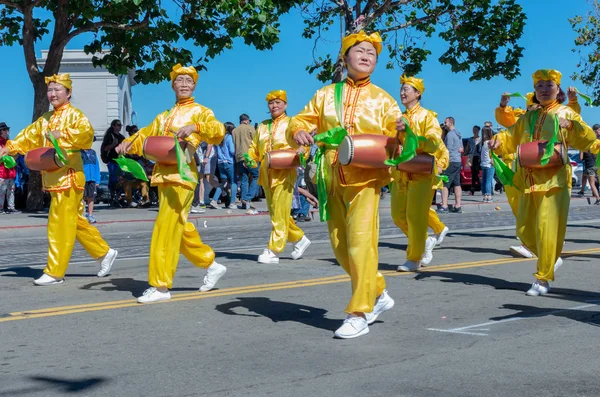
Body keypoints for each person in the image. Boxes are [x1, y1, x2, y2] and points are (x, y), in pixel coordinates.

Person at [288, 31, 400, 339]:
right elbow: (300, 120)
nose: (366, 56)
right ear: (345, 57)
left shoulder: (383, 100)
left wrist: (403, 133)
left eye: (372, 53)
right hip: (330, 177)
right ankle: (377, 292)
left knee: (360, 244)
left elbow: (399, 141)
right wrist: (298, 131)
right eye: (360, 51)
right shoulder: (325, 94)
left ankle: (359, 311)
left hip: (366, 179)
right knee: (340, 248)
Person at [115, 64, 227, 303]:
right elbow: (145, 134)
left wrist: (195, 127)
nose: (184, 84)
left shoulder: (200, 111)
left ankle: (161, 286)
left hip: (183, 177)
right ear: (173, 85)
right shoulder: (164, 116)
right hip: (163, 176)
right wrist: (128, 143)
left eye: (188, 80)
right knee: (178, 226)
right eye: (180, 80)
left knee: (165, 229)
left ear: (194, 85)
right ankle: (211, 263)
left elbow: (218, 131)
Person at [489, 69, 600, 296]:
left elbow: (587, 138)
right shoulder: (529, 116)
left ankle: (542, 278)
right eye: (539, 86)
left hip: (554, 180)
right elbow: (511, 135)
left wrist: (571, 126)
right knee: (524, 230)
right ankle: (550, 259)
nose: (544, 90)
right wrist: (497, 141)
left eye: (549, 85)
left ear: (558, 89)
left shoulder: (566, 113)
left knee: (546, 228)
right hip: (528, 179)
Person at [0, 74, 118, 285]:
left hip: (69, 176)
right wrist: (8, 149)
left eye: (57, 90)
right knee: (74, 221)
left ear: (68, 93)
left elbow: (86, 136)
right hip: (54, 177)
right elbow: (27, 137)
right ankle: (104, 252)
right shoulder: (45, 119)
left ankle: (55, 272)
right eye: (50, 90)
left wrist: (62, 133)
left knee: (58, 224)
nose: (52, 94)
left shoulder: (75, 116)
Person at [247, 90, 312, 264]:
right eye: (271, 103)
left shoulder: (292, 123)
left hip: (284, 174)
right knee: (277, 213)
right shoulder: (262, 125)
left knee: (279, 215)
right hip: (266, 174)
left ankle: (273, 250)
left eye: (278, 102)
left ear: (285, 104)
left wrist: (301, 152)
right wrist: (250, 157)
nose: (274, 106)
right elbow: (254, 147)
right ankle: (299, 239)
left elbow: (303, 143)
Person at [391, 76, 445, 272]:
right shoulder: (399, 117)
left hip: (421, 173)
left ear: (418, 93)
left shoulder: (427, 117)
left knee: (415, 217)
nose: (403, 92)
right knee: (398, 216)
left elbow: (433, 142)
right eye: (402, 89)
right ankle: (424, 240)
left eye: (407, 89)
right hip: (400, 174)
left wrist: (412, 136)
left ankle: (414, 258)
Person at [232, 114, 258, 209]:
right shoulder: (250, 128)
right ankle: (247, 198)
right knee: (256, 176)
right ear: (247, 120)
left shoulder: (234, 131)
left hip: (239, 157)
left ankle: (244, 203)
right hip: (249, 156)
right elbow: (256, 141)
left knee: (244, 179)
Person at [210, 122, 237, 209]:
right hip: (229, 162)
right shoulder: (229, 138)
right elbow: (232, 151)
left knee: (223, 182)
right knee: (233, 182)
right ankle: (232, 203)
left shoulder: (219, 138)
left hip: (220, 163)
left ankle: (214, 200)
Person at [438, 117, 463, 213]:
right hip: (457, 161)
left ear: (451, 123)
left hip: (451, 161)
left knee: (444, 183)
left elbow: (446, 151)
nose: (444, 124)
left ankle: (444, 205)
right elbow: (461, 148)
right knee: (457, 183)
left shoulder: (450, 135)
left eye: (446, 122)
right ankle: (458, 206)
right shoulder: (458, 134)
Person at [0, 122, 19, 214]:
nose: (7, 131)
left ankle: (11, 207)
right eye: (5, 130)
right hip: (2, 172)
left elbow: (16, 154)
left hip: (10, 171)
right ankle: (0, 208)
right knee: (1, 191)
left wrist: (11, 157)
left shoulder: (9, 142)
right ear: (1, 132)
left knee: (11, 190)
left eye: (7, 129)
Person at [81, 148, 101, 223]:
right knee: (82, 197)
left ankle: (90, 215)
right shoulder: (79, 152)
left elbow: (97, 166)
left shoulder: (93, 152)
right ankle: (83, 214)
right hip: (82, 178)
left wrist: (97, 179)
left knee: (91, 197)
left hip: (92, 178)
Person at [480, 126, 495, 203]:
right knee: (489, 180)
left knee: (484, 180)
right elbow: (493, 152)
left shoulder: (483, 143)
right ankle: (488, 195)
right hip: (489, 163)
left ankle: (484, 195)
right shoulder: (490, 142)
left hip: (483, 163)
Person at [466, 125, 482, 195]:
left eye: (475, 129)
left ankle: (473, 188)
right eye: (473, 129)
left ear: (478, 131)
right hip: (470, 156)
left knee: (475, 172)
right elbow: (467, 148)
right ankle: (476, 187)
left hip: (478, 156)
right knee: (473, 173)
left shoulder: (481, 139)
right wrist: (463, 154)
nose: (474, 131)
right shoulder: (470, 139)